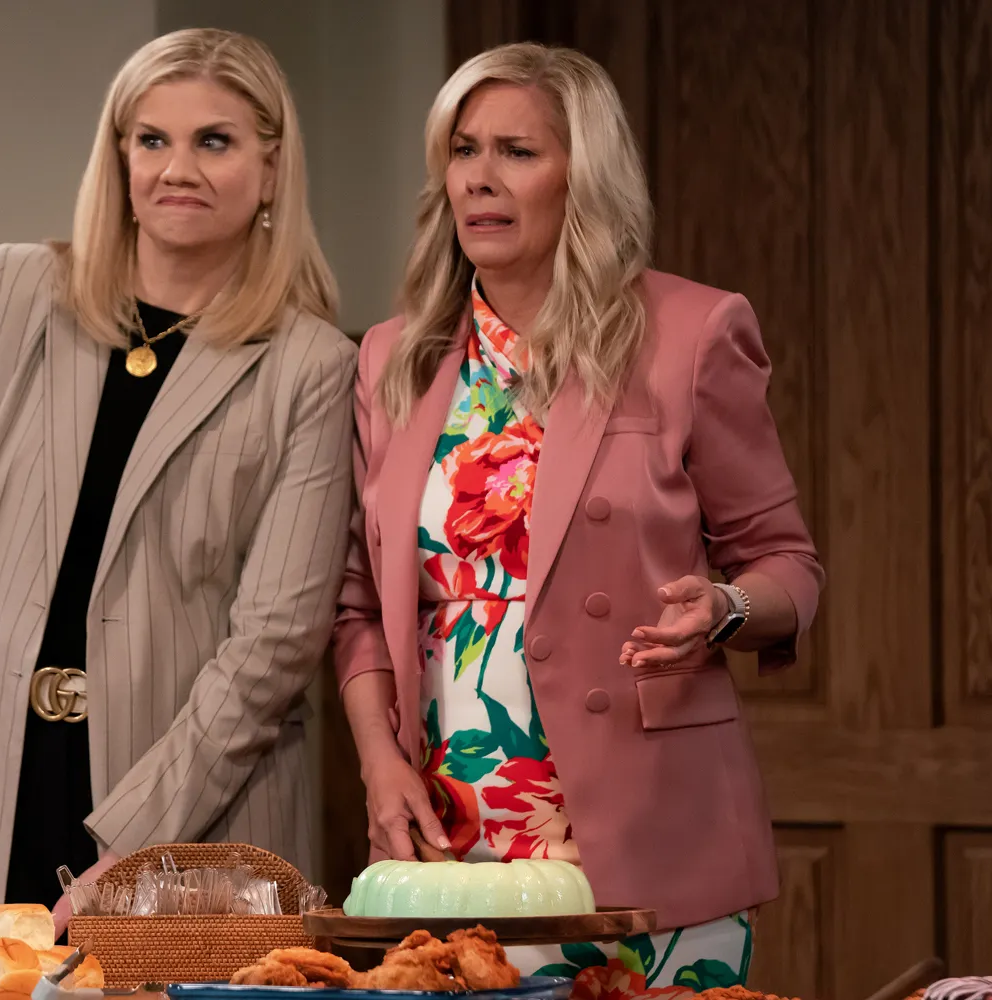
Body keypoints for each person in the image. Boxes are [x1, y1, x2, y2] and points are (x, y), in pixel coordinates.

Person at [0, 28, 356, 939]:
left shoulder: (311, 365)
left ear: (272, 169)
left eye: (214, 141)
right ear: (119, 155)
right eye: (152, 139)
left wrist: (139, 840)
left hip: (195, 806)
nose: (178, 168)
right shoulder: (12, 294)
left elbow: (274, 645)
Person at [334, 42, 824, 987]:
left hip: (644, 828)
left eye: (517, 152)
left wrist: (724, 608)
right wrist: (378, 764)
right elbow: (357, 605)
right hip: (447, 830)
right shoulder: (394, 356)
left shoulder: (691, 332)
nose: (480, 178)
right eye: (464, 150)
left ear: (583, 177)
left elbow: (788, 565)